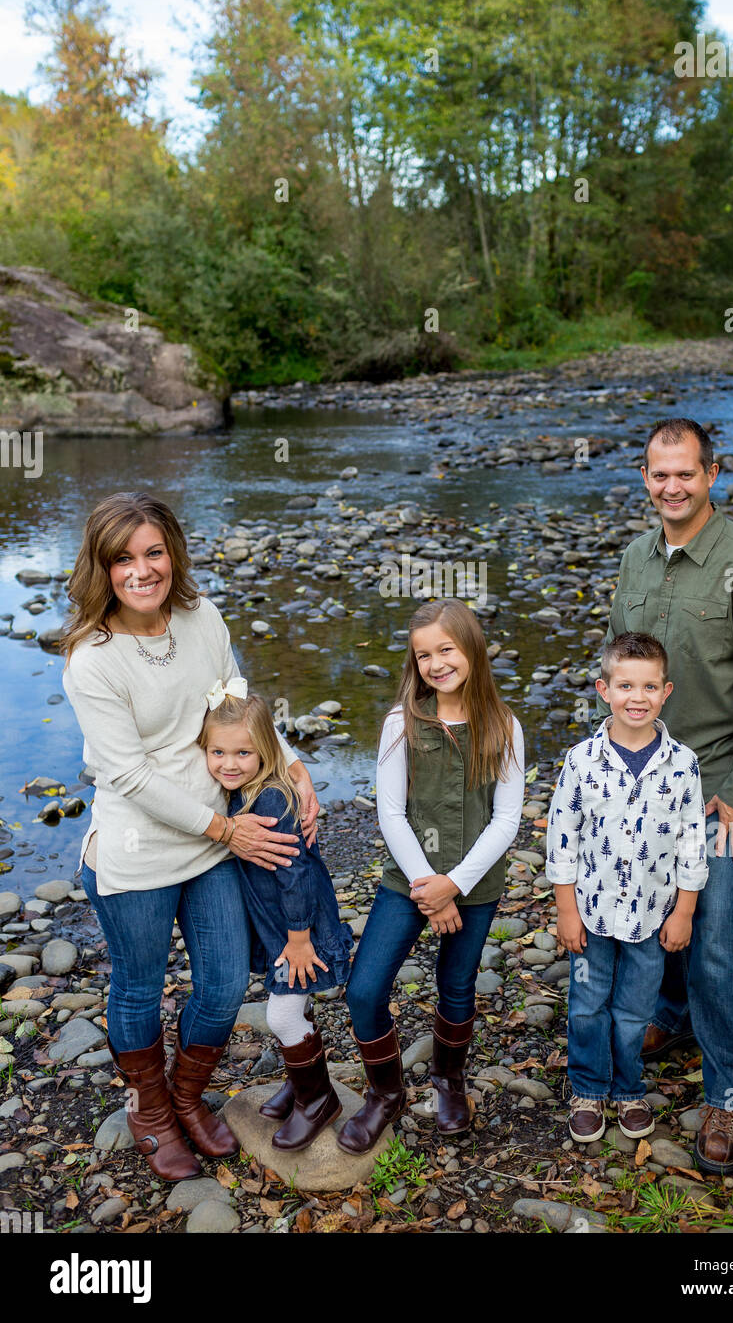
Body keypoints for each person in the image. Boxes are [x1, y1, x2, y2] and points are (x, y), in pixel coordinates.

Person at [62, 492, 319, 1182]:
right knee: (140, 988)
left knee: (226, 981)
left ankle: (185, 1094)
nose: (142, 570)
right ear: (102, 567)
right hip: (140, 852)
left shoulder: (202, 617)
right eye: (123, 558)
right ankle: (149, 1109)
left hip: (213, 847)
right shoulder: (92, 660)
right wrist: (227, 828)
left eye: (153, 552)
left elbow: (238, 699)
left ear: (173, 551)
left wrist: (290, 763)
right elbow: (129, 775)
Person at [592, 418, 733, 1172]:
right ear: (645, 479)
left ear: (713, 474)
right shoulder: (635, 559)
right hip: (643, 778)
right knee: (651, 908)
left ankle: (730, 1093)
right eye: (658, 474)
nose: (671, 487)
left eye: (685, 473)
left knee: (714, 929)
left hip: (715, 786)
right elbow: (619, 667)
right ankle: (673, 1018)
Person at [337, 598, 525, 1154]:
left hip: (474, 885)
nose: (436, 663)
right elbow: (390, 812)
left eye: (446, 649)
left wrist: (456, 886)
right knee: (364, 989)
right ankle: (385, 1093)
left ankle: (448, 1080)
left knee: (457, 986)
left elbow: (507, 818)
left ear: (471, 648)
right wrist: (428, 886)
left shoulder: (503, 725)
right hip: (409, 882)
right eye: (423, 655)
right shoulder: (403, 722)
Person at [547, 633, 708, 1143]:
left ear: (666, 691)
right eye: (625, 686)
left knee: (635, 1008)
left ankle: (627, 1087)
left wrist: (684, 911)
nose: (636, 698)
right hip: (592, 914)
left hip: (652, 917)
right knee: (588, 1003)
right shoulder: (581, 761)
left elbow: (692, 844)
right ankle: (588, 1087)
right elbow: (562, 837)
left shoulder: (682, 765)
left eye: (649, 687)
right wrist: (565, 910)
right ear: (603, 689)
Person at [199, 682, 353, 1151]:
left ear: (267, 749)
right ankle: (302, 1079)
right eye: (217, 752)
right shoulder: (242, 790)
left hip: (298, 925)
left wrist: (300, 938)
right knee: (297, 1004)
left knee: (282, 1014)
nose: (228, 763)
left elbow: (295, 875)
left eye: (243, 752)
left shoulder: (270, 799)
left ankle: (318, 1099)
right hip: (282, 925)